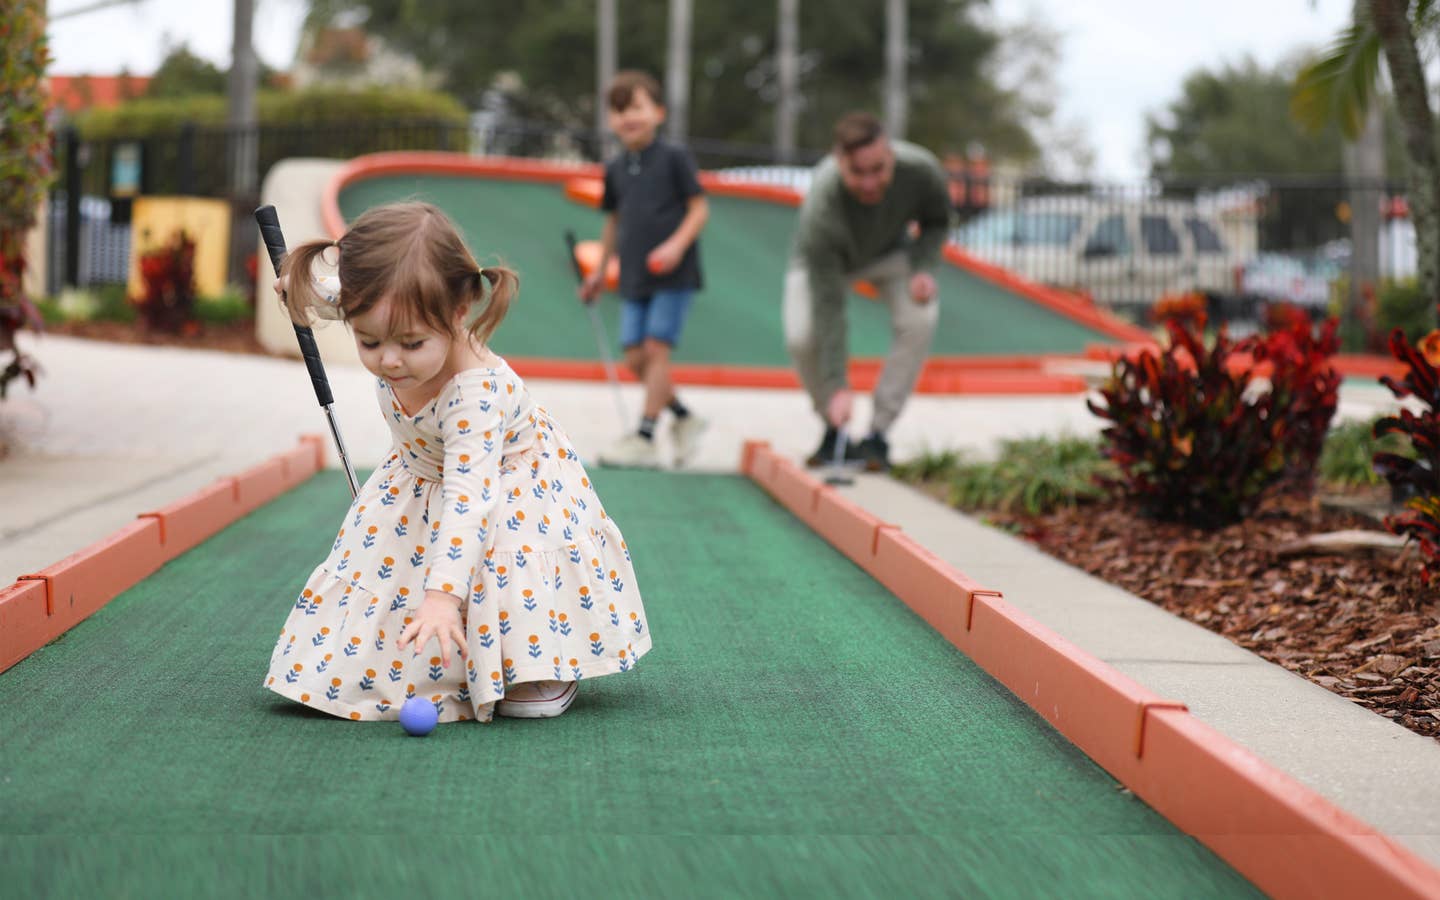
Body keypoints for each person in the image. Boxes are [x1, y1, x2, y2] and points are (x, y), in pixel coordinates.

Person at [263, 202, 651, 724]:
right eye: (369, 341)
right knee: (386, 582)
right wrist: (304, 294)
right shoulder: (389, 310)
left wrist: (444, 596)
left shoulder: (474, 395)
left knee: (501, 565)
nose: (390, 360)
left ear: (458, 312)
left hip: (507, 488)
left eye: (411, 342)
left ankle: (542, 665)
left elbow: (471, 501)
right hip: (422, 477)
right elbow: (344, 303)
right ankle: (431, 650)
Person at [784, 111, 953, 471]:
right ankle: (834, 426)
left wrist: (923, 266)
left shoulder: (921, 169)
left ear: (890, 154)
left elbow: (938, 221)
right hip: (825, 261)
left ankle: (877, 435)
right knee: (802, 335)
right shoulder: (823, 203)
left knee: (920, 317)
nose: (870, 183)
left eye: (878, 169)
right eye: (857, 173)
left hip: (890, 253)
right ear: (839, 162)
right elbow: (830, 308)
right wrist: (838, 385)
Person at [579, 69, 709, 469]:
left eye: (635, 107)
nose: (626, 117)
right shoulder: (616, 168)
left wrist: (675, 246)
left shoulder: (674, 158)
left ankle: (646, 436)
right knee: (636, 359)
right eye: (618, 111)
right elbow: (614, 220)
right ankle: (686, 418)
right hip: (634, 276)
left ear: (659, 112)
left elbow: (699, 207)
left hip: (674, 274)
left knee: (656, 349)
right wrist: (599, 271)